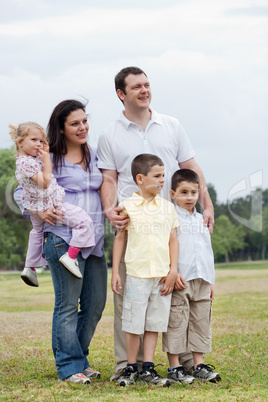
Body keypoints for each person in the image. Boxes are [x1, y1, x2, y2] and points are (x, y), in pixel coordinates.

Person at [97, 66, 214, 379]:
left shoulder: (171, 125)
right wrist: (110, 209)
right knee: (130, 299)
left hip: (169, 221)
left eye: (147, 84)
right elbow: (108, 178)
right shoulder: (110, 133)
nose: (144, 90)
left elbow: (190, 166)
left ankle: (186, 362)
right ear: (122, 94)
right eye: (136, 87)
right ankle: (128, 366)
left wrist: (207, 202)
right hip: (131, 225)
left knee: (176, 290)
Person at [14, 100, 107, 384]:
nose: (82, 127)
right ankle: (69, 366)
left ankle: (79, 357)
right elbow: (20, 192)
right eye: (74, 123)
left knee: (94, 305)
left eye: (84, 121)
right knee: (67, 305)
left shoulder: (95, 154)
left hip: (94, 240)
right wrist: (40, 210)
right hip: (63, 238)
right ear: (62, 128)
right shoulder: (47, 155)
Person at [111, 154, 180, 387]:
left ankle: (148, 368)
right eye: (157, 176)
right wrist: (115, 272)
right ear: (140, 178)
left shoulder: (168, 208)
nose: (162, 180)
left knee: (154, 323)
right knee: (133, 323)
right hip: (137, 274)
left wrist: (173, 270)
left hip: (161, 276)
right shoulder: (127, 206)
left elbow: (173, 240)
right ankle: (131, 368)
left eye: (164, 176)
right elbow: (119, 238)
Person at [10, 121, 96, 286]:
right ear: (19, 142)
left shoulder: (28, 159)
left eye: (41, 141)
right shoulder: (27, 163)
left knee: (36, 232)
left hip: (38, 204)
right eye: (34, 140)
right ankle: (70, 257)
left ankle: (30, 267)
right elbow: (45, 182)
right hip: (50, 204)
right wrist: (47, 160)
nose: (39, 144)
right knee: (84, 222)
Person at [163, 169, 221, 383]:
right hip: (181, 279)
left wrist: (210, 279)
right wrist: (173, 270)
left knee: (200, 322)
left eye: (193, 192)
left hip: (202, 280)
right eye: (183, 192)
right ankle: (175, 367)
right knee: (176, 321)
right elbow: (168, 247)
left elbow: (206, 251)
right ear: (172, 193)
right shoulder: (171, 218)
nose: (189, 197)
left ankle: (198, 365)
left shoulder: (202, 219)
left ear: (199, 193)